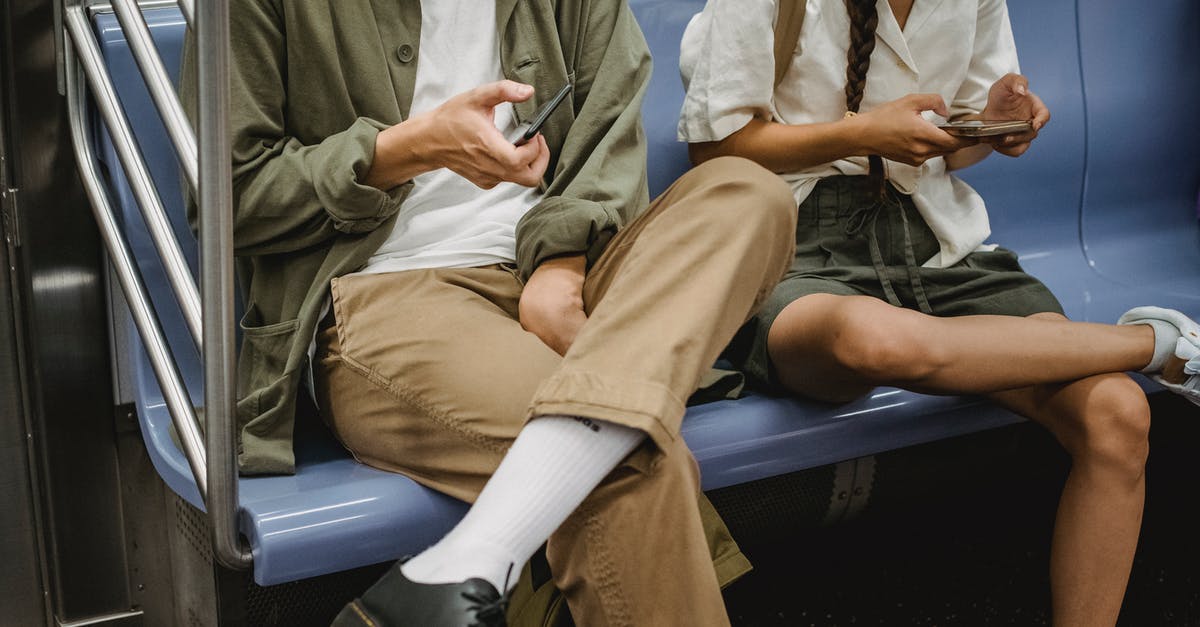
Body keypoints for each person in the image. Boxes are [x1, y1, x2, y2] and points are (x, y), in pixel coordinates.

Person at [182, 0, 799, 625]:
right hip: (390, 290)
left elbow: (607, 147)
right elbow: (227, 197)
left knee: (750, 195)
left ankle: (471, 558)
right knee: (623, 461)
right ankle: (487, 553)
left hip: (570, 271)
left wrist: (559, 270)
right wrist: (406, 148)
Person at [678, 1, 1199, 626]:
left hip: (934, 241)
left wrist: (994, 128)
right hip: (793, 245)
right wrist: (859, 133)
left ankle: (1163, 347)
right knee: (874, 341)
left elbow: (951, 149)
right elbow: (715, 150)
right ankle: (1161, 344)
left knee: (1118, 412)